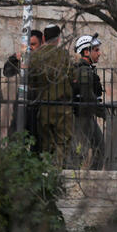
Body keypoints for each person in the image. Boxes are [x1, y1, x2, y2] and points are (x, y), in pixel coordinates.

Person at [29, 24, 73, 160]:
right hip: (62, 105)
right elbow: (73, 77)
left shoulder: (36, 56)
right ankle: (58, 170)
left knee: (46, 142)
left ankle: (46, 171)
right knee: (63, 141)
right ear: (58, 39)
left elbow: (31, 81)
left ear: (43, 37)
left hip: (44, 105)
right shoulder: (64, 55)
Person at [71, 33, 106, 169]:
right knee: (81, 151)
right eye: (96, 50)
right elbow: (87, 96)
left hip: (87, 115)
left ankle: (93, 178)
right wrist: (102, 112)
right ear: (86, 51)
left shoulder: (88, 69)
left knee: (100, 147)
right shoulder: (84, 71)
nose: (99, 53)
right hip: (81, 116)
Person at [3, 29, 43, 139]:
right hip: (22, 101)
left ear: (41, 44)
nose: (30, 48)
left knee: (37, 138)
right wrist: (15, 59)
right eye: (27, 45)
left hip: (39, 103)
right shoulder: (23, 58)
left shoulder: (45, 59)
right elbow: (7, 72)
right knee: (15, 134)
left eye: (33, 44)